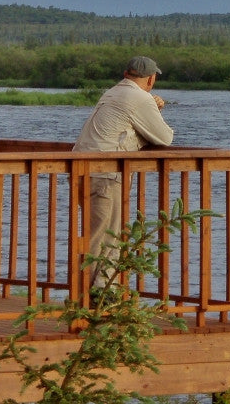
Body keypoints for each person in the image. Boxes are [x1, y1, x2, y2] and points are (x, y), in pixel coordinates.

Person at [73, 55, 174, 284]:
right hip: (106, 174)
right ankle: (95, 301)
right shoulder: (141, 98)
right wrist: (155, 107)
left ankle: (92, 299)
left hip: (82, 170)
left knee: (98, 236)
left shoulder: (113, 92)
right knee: (106, 239)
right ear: (151, 79)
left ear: (126, 74)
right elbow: (165, 137)